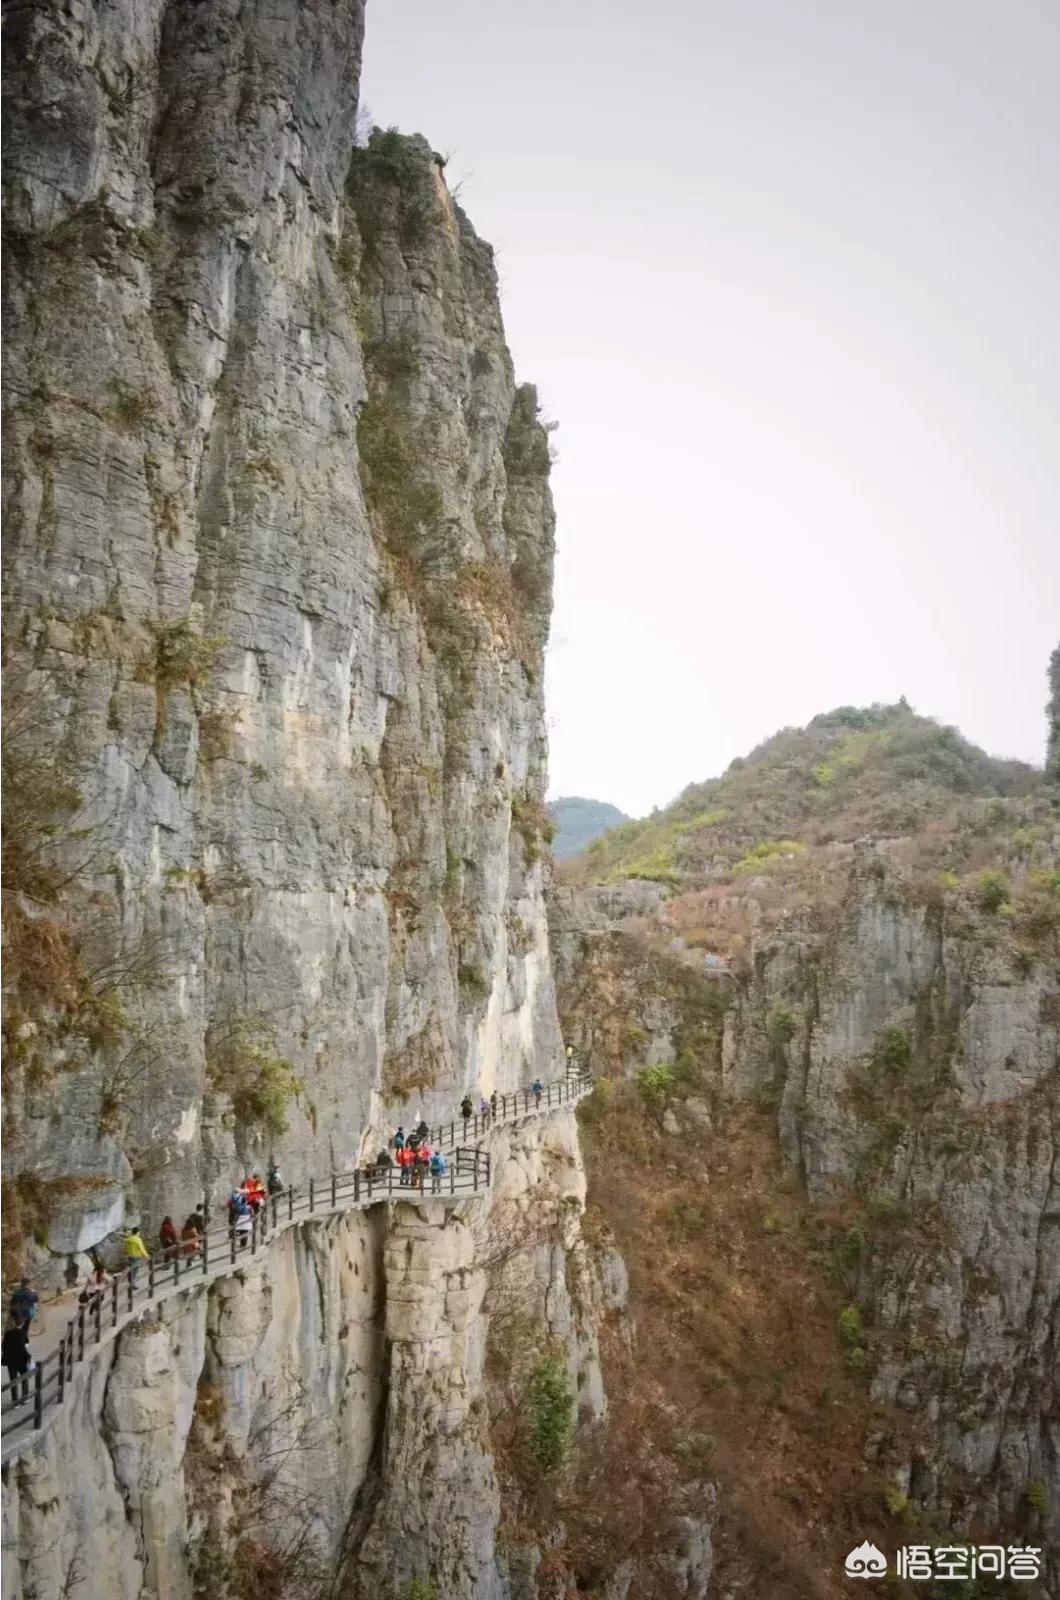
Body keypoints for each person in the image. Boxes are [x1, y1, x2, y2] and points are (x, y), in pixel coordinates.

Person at [2, 1319, 32, 1404]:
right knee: (24, 1379)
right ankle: (25, 1398)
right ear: (22, 1323)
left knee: (13, 1381)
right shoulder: (23, 1332)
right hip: (22, 1358)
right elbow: (26, 1344)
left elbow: (3, 1347)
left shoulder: (7, 1334)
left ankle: (15, 1402)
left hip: (11, 1361)